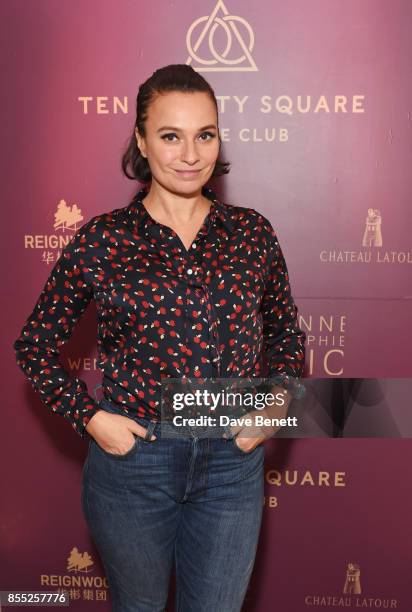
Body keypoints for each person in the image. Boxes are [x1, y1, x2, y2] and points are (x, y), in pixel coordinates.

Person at [13, 64, 306, 611]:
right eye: (171, 136)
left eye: (205, 135)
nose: (190, 154)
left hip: (230, 462)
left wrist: (277, 404)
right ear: (142, 142)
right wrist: (91, 418)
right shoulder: (103, 240)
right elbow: (34, 346)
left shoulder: (252, 233)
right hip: (135, 463)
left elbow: (286, 333)